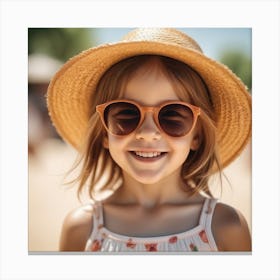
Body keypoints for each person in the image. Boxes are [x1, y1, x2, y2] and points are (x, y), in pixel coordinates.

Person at [47, 28, 252, 252]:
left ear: (197, 135)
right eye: (126, 114)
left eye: (173, 116)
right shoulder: (81, 229)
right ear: (105, 132)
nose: (147, 132)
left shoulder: (225, 228)